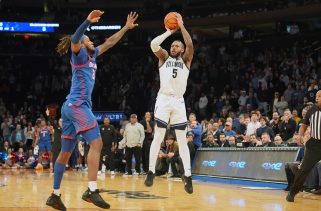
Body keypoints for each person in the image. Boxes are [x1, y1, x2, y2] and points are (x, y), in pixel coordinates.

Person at [46, 10, 139, 210]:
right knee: (96, 144)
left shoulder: (93, 55)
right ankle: (92, 190)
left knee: (65, 152)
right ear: (82, 43)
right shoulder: (78, 55)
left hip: (69, 107)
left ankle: (54, 194)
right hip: (77, 105)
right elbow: (76, 37)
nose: (92, 42)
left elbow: (110, 42)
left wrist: (125, 27)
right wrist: (87, 21)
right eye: (89, 39)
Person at [144, 12, 194, 194]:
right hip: (164, 99)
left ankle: (187, 176)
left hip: (179, 101)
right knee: (158, 136)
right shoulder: (164, 57)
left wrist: (181, 27)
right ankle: (151, 171)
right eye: (172, 45)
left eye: (176, 46)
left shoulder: (187, 59)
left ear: (181, 50)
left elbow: (190, 44)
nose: (173, 47)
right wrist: (168, 33)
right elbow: (153, 45)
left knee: (182, 140)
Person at [286, 90, 321, 202]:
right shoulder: (312, 110)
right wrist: (300, 135)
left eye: (319, 96)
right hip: (315, 144)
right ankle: (292, 192)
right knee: (304, 169)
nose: (317, 98)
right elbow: (304, 125)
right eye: (316, 96)